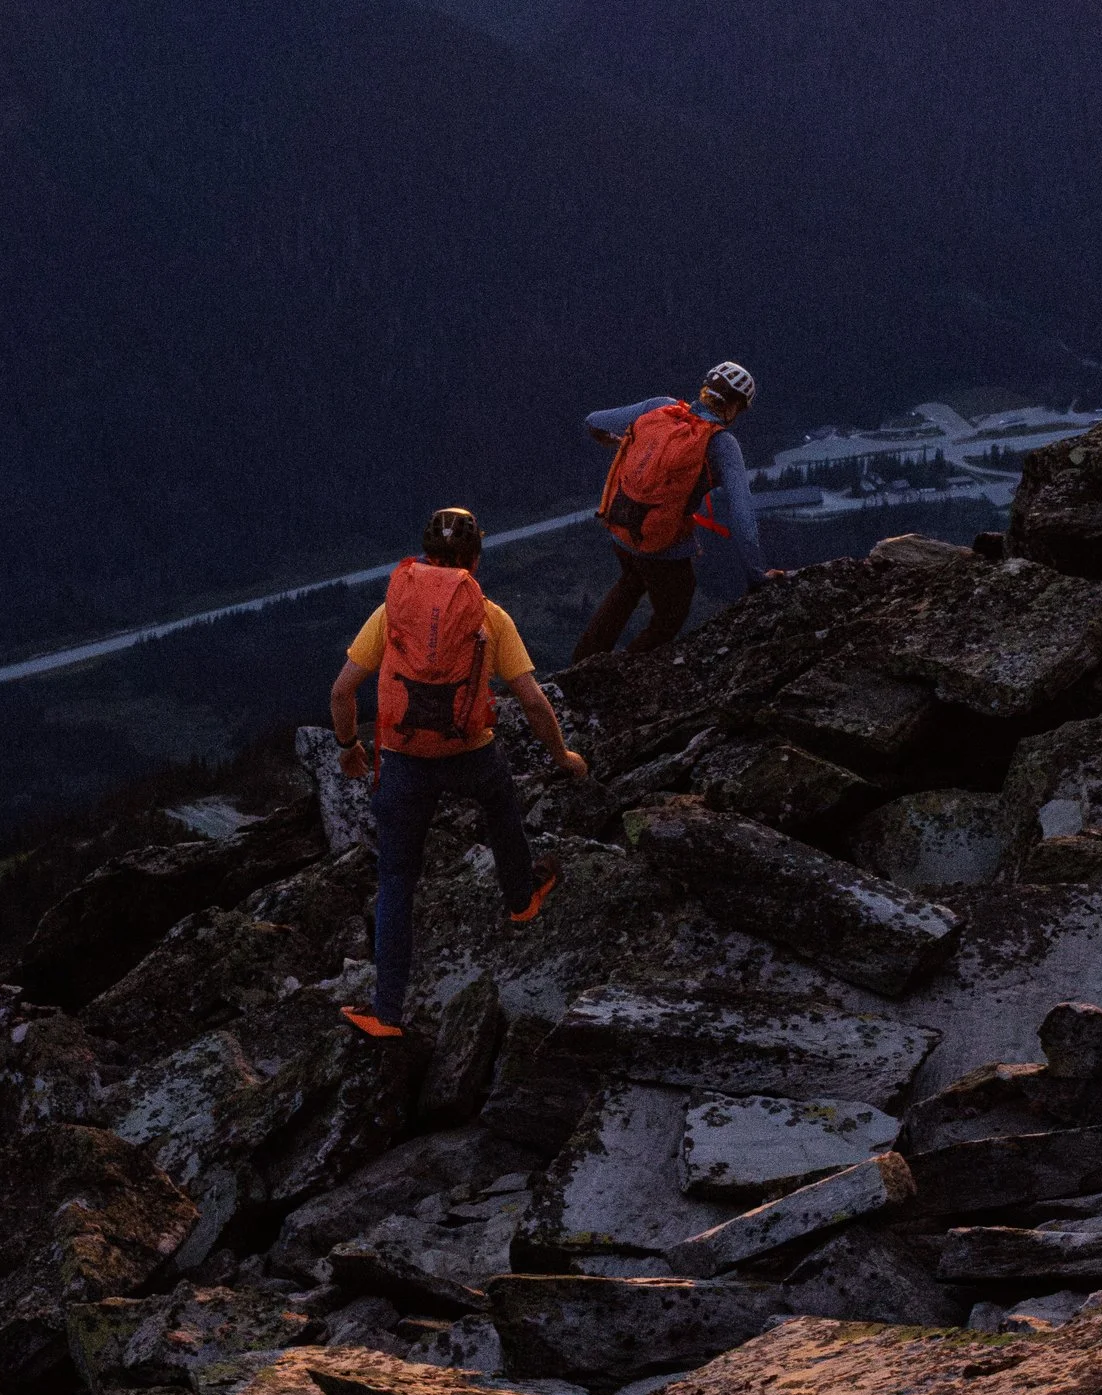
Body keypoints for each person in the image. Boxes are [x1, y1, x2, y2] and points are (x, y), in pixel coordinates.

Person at [328, 505, 585, 1043]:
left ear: (424, 553)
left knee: (397, 878)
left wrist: (350, 746)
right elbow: (533, 701)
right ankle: (521, 900)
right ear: (475, 556)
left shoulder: (391, 609)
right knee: (500, 806)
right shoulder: (489, 615)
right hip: (470, 751)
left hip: (401, 758)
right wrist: (562, 755)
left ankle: (387, 1013)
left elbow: (342, 690)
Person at [574, 360, 774, 661]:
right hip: (662, 547)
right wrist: (756, 576)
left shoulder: (661, 407)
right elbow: (742, 515)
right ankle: (622, 672)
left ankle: (581, 666)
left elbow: (594, 421)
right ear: (733, 408)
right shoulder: (721, 444)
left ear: (704, 389)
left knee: (630, 583)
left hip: (621, 528)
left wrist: (615, 443)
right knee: (671, 616)